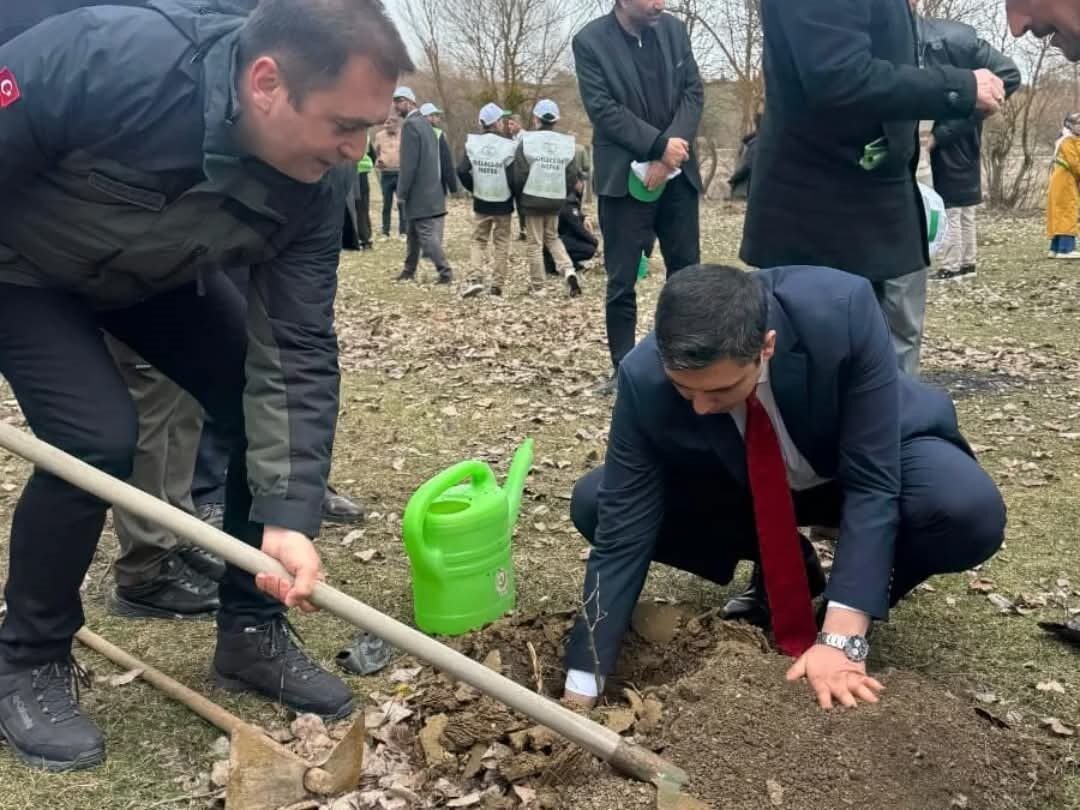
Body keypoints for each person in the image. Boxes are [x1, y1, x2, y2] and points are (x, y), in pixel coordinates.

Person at [0, 0, 412, 771]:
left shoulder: (318, 184)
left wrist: (289, 513)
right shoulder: (113, 61)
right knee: (95, 438)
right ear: (266, 83)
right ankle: (26, 660)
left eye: (369, 129)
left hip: (152, 274)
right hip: (21, 270)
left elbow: (293, 348)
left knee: (250, 400)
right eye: (342, 125)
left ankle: (251, 632)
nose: (358, 151)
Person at [561, 265, 1005, 710]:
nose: (699, 408)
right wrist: (583, 682)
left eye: (719, 390)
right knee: (595, 503)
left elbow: (873, 481)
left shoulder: (841, 311)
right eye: (684, 390)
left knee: (967, 511)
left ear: (766, 347)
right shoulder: (643, 376)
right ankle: (789, 566)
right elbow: (622, 527)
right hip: (747, 483)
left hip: (861, 459)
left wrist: (840, 634)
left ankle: (851, 598)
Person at [740, 0, 1006, 378]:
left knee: (882, 377)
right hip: (822, 222)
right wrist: (958, 86)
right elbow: (837, 76)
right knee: (818, 382)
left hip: (873, 213)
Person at [574, 0, 704, 395]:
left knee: (687, 275)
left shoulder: (674, 31)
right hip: (623, 180)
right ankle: (624, 369)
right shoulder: (590, 42)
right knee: (622, 279)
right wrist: (656, 146)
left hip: (677, 176)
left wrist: (670, 153)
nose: (659, 4)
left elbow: (693, 92)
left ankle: (687, 362)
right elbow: (603, 110)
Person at [106, 340, 224, 620]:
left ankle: (178, 535)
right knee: (148, 392)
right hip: (130, 301)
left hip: (176, 297)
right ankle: (145, 568)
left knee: (185, 389)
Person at [917, 10, 1020, 280]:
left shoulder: (948, 42)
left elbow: (1010, 74)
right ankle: (967, 263)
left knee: (952, 210)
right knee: (964, 212)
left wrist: (938, 136)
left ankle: (953, 266)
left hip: (950, 152)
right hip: (967, 149)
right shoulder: (961, 39)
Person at [510, 99, 582, 297]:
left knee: (534, 243)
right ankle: (568, 270)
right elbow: (572, 173)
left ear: (536, 119)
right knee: (552, 237)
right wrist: (561, 192)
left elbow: (519, 174)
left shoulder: (527, 142)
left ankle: (539, 286)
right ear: (556, 120)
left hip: (532, 198)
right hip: (555, 197)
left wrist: (520, 196)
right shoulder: (566, 144)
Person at [394, 86, 453, 284]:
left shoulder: (411, 125)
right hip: (430, 188)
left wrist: (401, 191)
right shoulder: (425, 123)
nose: (395, 105)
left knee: (426, 235)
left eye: (399, 101)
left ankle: (445, 272)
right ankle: (409, 270)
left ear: (410, 102)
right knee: (413, 232)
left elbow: (408, 164)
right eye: (394, 101)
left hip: (420, 192)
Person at [458, 102, 517, 296]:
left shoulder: (472, 143)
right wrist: (513, 194)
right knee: (501, 243)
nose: (504, 123)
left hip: (481, 201)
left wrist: (475, 187)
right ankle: (497, 285)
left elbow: (461, 170)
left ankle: (475, 278)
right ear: (497, 122)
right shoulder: (509, 146)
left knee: (478, 240)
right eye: (502, 120)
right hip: (503, 203)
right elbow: (514, 176)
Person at [543, 180, 600, 275]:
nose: (582, 185)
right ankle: (556, 264)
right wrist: (595, 242)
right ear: (576, 183)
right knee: (589, 250)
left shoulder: (570, 197)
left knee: (587, 245)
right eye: (581, 182)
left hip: (561, 236)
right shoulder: (569, 202)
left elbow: (575, 216)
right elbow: (578, 228)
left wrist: (584, 217)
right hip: (557, 238)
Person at [1046, 114, 1080, 259]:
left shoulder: (1069, 140)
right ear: (1070, 125)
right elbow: (1075, 164)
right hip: (1065, 180)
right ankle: (1066, 249)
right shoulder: (1068, 141)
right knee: (1068, 210)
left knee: (1060, 212)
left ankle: (1055, 248)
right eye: (1078, 123)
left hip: (1062, 180)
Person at [373, 115, 406, 238]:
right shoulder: (379, 136)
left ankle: (403, 232)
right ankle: (385, 232)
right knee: (386, 204)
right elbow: (375, 151)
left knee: (401, 203)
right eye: (386, 124)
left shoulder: (404, 135)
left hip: (400, 173)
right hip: (386, 173)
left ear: (396, 124)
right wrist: (378, 160)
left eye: (390, 124)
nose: (387, 126)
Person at [421, 101, 459, 196]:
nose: (439, 118)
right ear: (428, 117)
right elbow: (445, 161)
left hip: (419, 185)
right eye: (436, 115)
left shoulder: (413, 133)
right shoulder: (438, 134)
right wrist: (452, 186)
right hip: (436, 183)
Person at [728, 113, 761, 201]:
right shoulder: (756, 141)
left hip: (749, 190)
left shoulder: (755, 144)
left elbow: (748, 166)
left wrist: (734, 179)